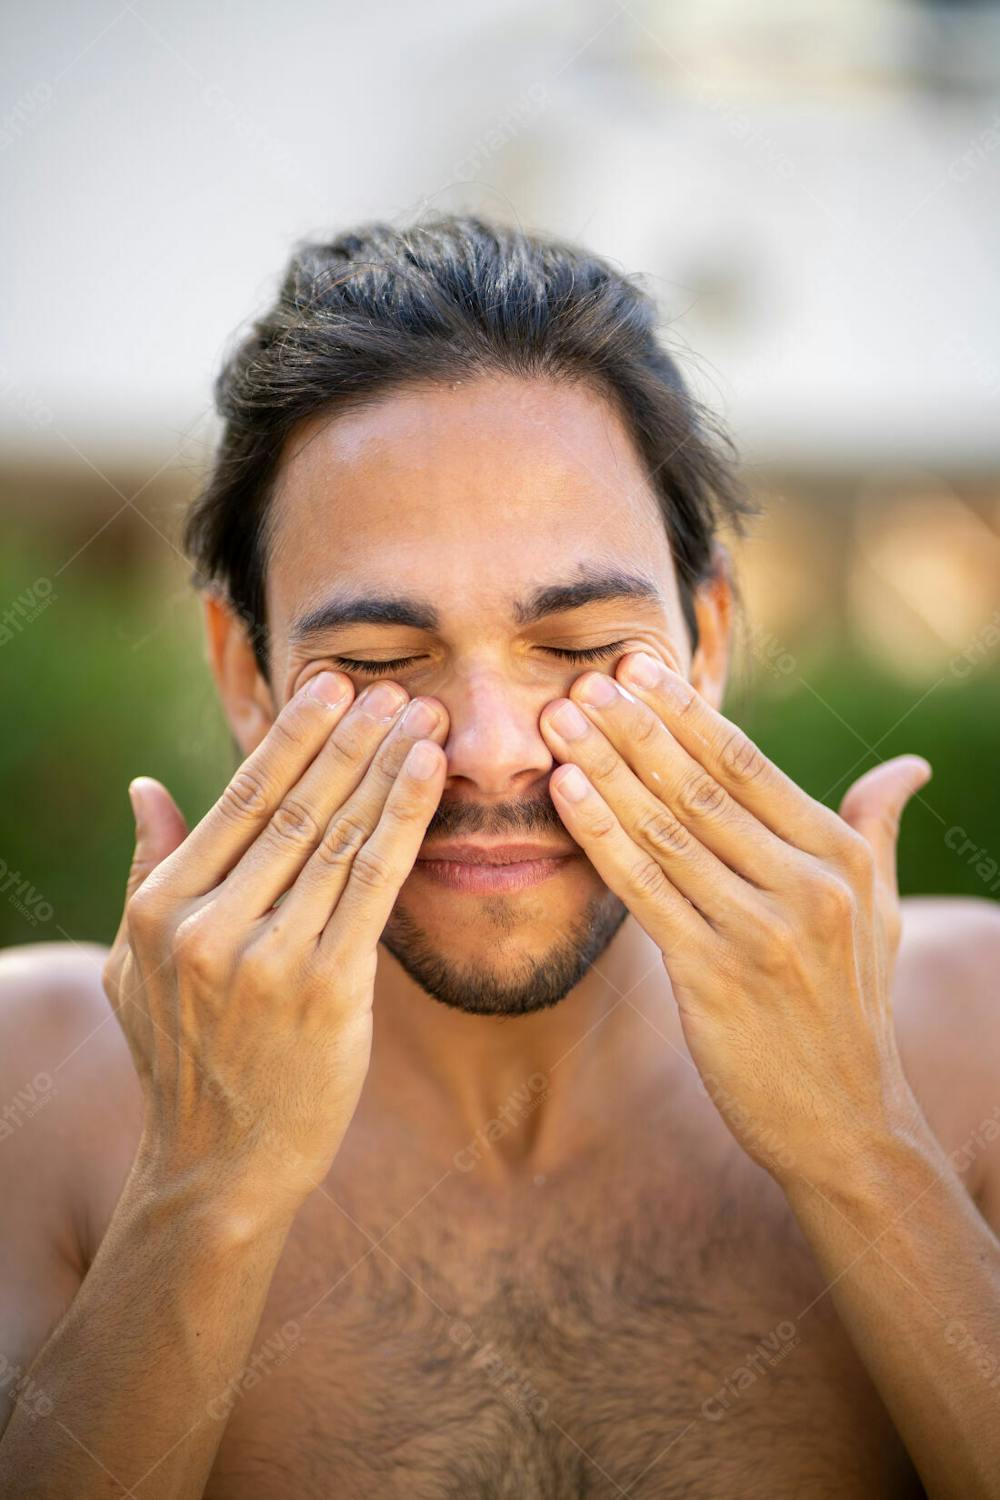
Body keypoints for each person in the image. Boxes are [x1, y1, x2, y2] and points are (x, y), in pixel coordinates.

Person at [1, 217, 998, 1500]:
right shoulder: (32, 1089)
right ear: (246, 674)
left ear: (706, 639)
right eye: (374, 663)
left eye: (579, 645)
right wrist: (202, 1192)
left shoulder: (975, 1039)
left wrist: (864, 1148)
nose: (487, 749)